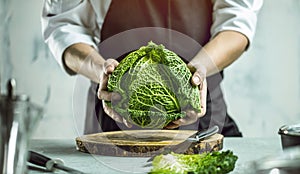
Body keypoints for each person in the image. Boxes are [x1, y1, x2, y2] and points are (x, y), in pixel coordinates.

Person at [41, 0, 263, 136]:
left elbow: (237, 20)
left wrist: (198, 70)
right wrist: (102, 71)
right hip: (117, 113)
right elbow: (64, 24)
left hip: (201, 111)